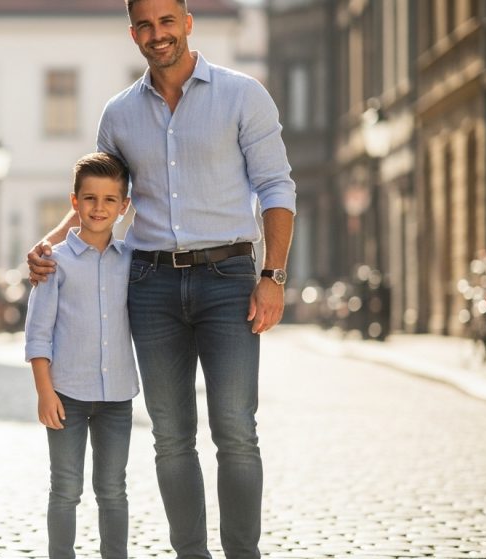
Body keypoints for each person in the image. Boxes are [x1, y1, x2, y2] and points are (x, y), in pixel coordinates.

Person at [27, 1, 296, 557]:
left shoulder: (242, 95)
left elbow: (276, 186)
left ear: (187, 23)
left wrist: (273, 274)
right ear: (134, 34)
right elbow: (100, 202)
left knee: (235, 429)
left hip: (228, 279)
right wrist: (49, 245)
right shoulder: (119, 115)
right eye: (146, 25)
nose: (158, 34)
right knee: (171, 438)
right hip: (150, 284)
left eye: (167, 21)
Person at [24, 152, 140, 559]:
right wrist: (45, 393)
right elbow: (38, 335)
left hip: (117, 398)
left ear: (123, 206)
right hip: (66, 396)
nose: (99, 208)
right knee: (65, 488)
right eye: (90, 198)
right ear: (74, 202)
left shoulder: (132, 261)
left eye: (110, 200)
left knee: (113, 490)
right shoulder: (53, 263)